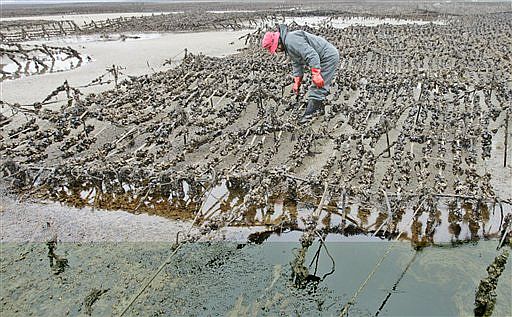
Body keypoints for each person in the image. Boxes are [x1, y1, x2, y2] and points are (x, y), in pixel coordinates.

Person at [262, 24, 340, 123]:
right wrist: (297, 81)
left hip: (328, 57)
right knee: (318, 86)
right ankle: (319, 109)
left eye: (275, 48)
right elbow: (297, 62)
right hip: (322, 56)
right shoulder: (288, 43)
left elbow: (312, 55)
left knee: (318, 86)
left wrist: (316, 73)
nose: (277, 51)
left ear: (277, 43)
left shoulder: (291, 40)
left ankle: (309, 115)